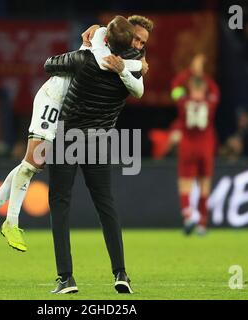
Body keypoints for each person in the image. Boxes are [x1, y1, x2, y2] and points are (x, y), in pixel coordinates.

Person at [0, 17, 146, 252]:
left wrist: (134, 65)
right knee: (33, 162)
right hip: (53, 98)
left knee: (34, 163)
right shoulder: (97, 44)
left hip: (65, 105)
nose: (137, 45)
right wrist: (136, 67)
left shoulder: (114, 46)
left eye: (140, 42)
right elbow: (104, 62)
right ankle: (11, 223)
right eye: (135, 39)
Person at [44, 15, 153, 294]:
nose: (139, 45)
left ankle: (66, 278)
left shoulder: (85, 59)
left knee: (60, 204)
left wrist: (88, 45)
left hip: (67, 137)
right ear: (128, 39)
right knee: (106, 206)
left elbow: (49, 64)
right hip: (100, 141)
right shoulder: (133, 71)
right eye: (137, 39)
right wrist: (131, 64)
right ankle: (121, 273)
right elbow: (136, 83)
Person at [171, 74, 219, 236]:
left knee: (185, 184)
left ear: (190, 87)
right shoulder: (210, 101)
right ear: (204, 88)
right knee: (205, 185)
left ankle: (188, 217)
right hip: (206, 146)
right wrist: (203, 74)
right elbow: (215, 90)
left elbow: (175, 88)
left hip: (188, 146)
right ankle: (202, 224)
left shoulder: (183, 100)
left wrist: (189, 71)